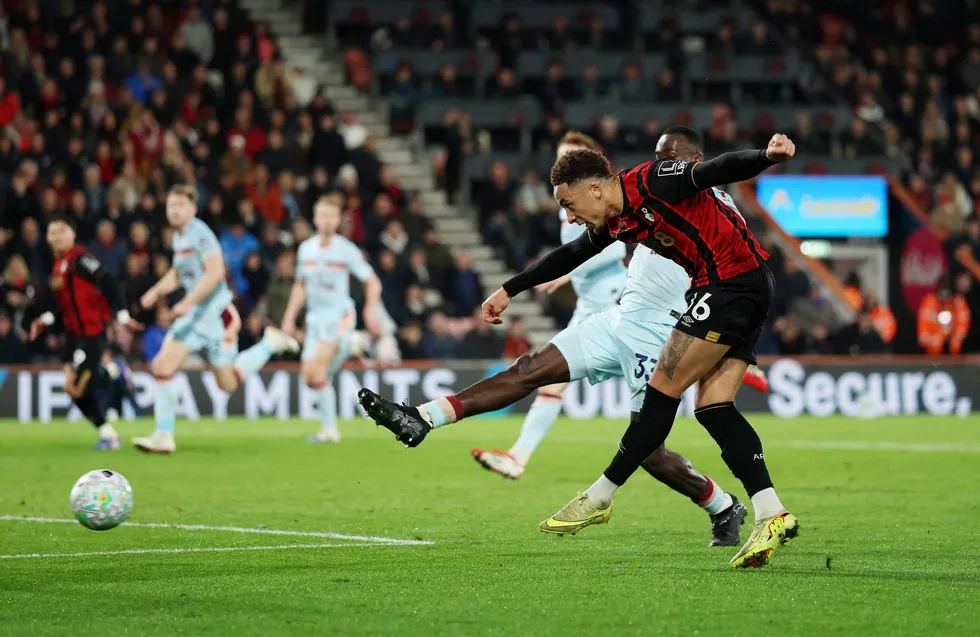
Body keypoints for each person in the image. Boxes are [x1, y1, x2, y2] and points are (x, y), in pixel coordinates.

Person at [358, 130, 781, 548]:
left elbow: (715, 175)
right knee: (530, 370)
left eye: (669, 155)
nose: (660, 159)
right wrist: (510, 288)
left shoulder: (684, 188)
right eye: (657, 153)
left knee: (652, 448)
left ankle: (720, 505)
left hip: (664, 330)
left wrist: (765, 154)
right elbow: (576, 251)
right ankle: (424, 416)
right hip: (619, 316)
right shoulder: (626, 207)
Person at [131, 185, 300, 454]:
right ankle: (164, 435)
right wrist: (154, 292)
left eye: (180, 206)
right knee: (162, 365)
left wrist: (186, 302)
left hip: (216, 317)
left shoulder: (200, 233)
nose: (174, 210)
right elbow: (179, 273)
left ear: (193, 209)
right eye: (171, 206)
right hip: (193, 318)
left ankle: (269, 343)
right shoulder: (179, 238)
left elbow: (215, 272)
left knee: (227, 383)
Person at [28, 216, 141, 450]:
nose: (56, 236)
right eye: (52, 232)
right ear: (47, 239)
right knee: (72, 389)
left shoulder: (81, 258)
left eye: (61, 230)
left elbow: (109, 281)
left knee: (80, 386)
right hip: (72, 336)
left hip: (91, 333)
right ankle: (107, 434)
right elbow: (62, 304)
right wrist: (45, 319)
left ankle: (113, 370)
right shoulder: (58, 265)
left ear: (73, 234)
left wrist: (121, 315)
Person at [280, 196, 383, 444]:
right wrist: (289, 318)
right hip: (315, 320)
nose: (326, 220)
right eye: (322, 215)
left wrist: (369, 308)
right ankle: (350, 346)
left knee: (318, 370)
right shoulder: (306, 249)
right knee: (310, 377)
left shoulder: (346, 249)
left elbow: (372, 281)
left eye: (331, 216)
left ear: (338, 220)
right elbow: (300, 286)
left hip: (340, 317)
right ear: (315, 218)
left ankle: (330, 430)